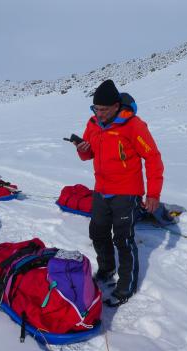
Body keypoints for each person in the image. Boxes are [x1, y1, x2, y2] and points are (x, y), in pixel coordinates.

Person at [74, 79, 164, 306]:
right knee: (97, 232)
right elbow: (90, 154)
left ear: (116, 106)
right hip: (101, 189)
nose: (99, 114)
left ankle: (126, 286)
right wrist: (82, 150)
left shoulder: (133, 125)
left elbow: (152, 158)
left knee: (123, 239)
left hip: (126, 191)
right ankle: (106, 269)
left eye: (103, 109)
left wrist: (153, 194)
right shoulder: (93, 123)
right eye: (96, 109)